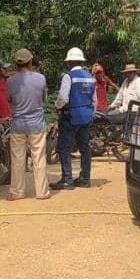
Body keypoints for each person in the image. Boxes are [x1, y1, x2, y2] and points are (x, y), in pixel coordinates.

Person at [5, 48, 50, 200]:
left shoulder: (10, 81)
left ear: (16, 64)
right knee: (39, 157)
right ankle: (42, 192)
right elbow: (43, 99)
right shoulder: (41, 78)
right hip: (36, 124)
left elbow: (10, 100)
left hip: (18, 124)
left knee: (18, 159)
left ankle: (17, 192)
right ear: (31, 62)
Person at [51, 47, 96, 190]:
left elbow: (63, 97)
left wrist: (57, 106)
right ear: (82, 62)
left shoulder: (68, 76)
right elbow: (94, 100)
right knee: (85, 148)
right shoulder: (90, 77)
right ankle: (85, 178)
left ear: (69, 62)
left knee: (64, 147)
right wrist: (90, 114)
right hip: (86, 117)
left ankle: (67, 179)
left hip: (70, 117)